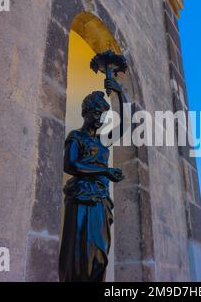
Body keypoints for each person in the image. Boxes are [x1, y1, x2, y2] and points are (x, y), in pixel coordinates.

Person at [58, 90, 124, 282]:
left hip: (100, 202)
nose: (99, 118)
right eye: (95, 113)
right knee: (79, 254)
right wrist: (104, 172)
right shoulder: (76, 136)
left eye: (103, 114)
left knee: (99, 255)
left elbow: (128, 123)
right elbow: (70, 165)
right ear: (85, 112)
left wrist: (120, 92)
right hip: (81, 199)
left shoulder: (103, 140)